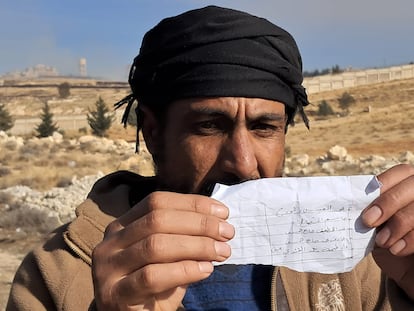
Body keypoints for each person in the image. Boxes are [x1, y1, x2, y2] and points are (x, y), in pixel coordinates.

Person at [7, 5, 414, 311]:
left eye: (264, 128)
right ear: (153, 132)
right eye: (209, 126)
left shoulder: (357, 262)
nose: (242, 162)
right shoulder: (58, 270)